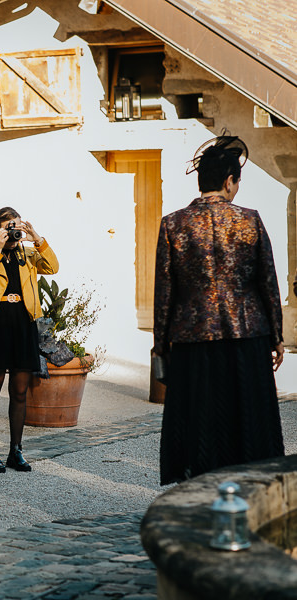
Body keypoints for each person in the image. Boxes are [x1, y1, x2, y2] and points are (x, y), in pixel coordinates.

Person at [154, 134, 285, 486]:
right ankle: (252, 486)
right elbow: (267, 283)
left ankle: (200, 485)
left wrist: (160, 343)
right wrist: (277, 336)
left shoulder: (173, 224)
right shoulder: (249, 221)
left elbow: (164, 292)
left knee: (199, 419)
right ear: (229, 182)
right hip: (247, 336)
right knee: (248, 417)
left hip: (192, 338)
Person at [0, 207, 58, 473]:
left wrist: (37, 238)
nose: (12, 230)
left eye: (16, 225)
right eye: (7, 225)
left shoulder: (29, 254)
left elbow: (53, 267)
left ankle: (16, 451)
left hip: (24, 323)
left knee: (20, 391)